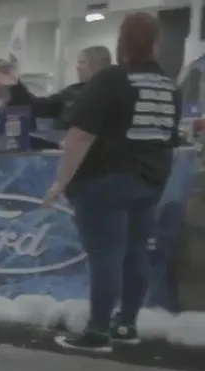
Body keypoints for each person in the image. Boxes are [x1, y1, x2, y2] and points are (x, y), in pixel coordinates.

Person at [43, 12, 182, 352]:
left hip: (105, 179)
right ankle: (126, 325)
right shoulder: (170, 86)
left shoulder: (110, 79)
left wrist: (60, 182)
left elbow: (81, 136)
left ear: (122, 41)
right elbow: (169, 136)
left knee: (106, 255)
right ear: (156, 43)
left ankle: (97, 331)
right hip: (151, 180)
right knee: (136, 253)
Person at [0, 46, 113, 128]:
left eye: (82, 62)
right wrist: (15, 85)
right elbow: (37, 106)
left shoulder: (114, 93)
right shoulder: (70, 93)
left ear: (97, 64)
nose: (77, 67)